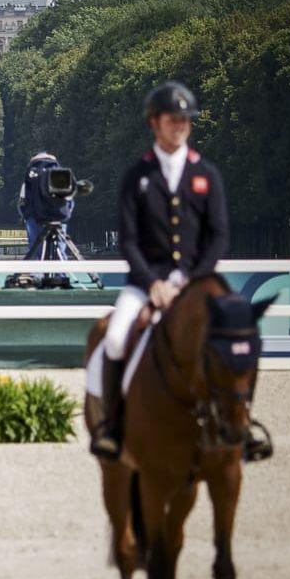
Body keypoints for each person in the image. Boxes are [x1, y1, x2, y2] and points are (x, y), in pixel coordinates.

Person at [92, 81, 231, 460]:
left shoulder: (206, 174)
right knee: (117, 338)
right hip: (145, 284)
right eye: (173, 120)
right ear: (155, 123)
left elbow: (218, 237)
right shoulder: (138, 175)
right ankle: (112, 426)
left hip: (194, 281)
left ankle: (237, 422)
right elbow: (129, 241)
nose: (181, 126)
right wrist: (153, 283)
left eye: (185, 120)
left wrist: (190, 279)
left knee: (233, 337)